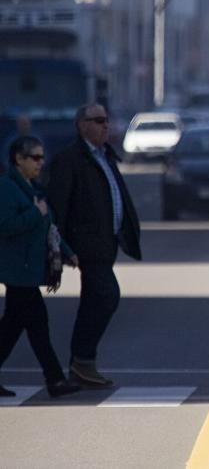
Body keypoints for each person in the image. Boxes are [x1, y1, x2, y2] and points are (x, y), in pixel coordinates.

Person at [47, 103, 142, 388]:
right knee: (106, 295)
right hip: (86, 244)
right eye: (97, 120)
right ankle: (81, 359)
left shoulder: (104, 156)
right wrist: (63, 248)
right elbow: (58, 208)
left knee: (94, 298)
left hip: (106, 242)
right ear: (82, 126)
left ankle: (83, 365)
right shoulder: (70, 160)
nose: (105, 125)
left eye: (106, 120)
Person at [0, 136, 81, 398]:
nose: (40, 163)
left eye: (42, 157)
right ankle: (55, 379)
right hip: (17, 270)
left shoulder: (33, 187)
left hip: (29, 269)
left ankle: (55, 379)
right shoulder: (6, 188)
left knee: (13, 328)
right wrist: (35, 213)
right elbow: (7, 226)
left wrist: (67, 252)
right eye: (35, 158)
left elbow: (49, 227)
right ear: (18, 160)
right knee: (37, 325)